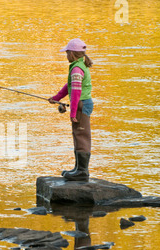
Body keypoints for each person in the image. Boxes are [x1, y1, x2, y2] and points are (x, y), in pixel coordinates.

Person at [49, 38, 94, 182]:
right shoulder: (79, 65)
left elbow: (75, 94)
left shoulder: (76, 69)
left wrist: (73, 113)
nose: (66, 55)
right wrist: (56, 97)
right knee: (78, 134)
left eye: (67, 53)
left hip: (81, 104)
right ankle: (78, 168)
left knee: (81, 136)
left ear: (72, 54)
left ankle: (82, 171)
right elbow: (68, 86)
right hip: (81, 104)